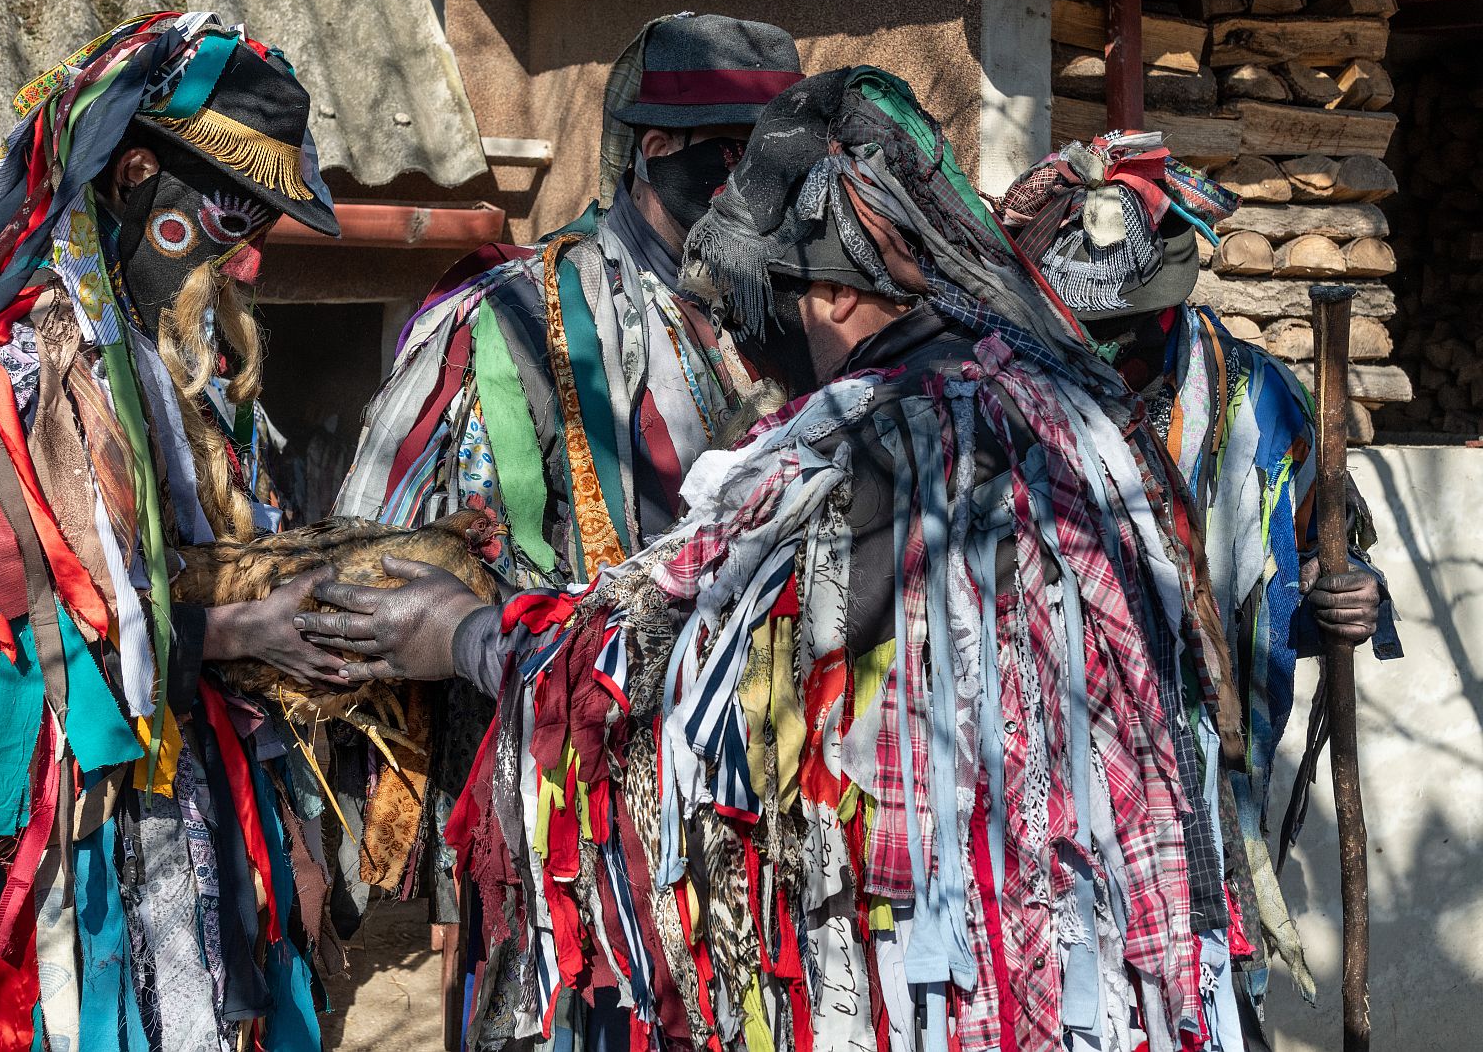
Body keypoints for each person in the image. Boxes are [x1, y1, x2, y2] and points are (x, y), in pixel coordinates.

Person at [300, 68, 1272, 1051]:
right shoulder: (1071, 415)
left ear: (841, 292)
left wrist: (464, 634)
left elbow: (656, 653)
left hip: (949, 976)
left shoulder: (863, 446)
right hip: (1102, 968)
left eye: (793, 296)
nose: (783, 334)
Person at [0, 13, 348, 1051]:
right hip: (60, 849)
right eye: (235, 218)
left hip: (180, 819)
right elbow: (36, 611)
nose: (249, 262)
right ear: (137, 170)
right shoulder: (34, 363)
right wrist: (239, 628)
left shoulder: (171, 369)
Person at [329, 11, 802, 952]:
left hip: (749, 806)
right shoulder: (507, 320)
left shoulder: (784, 316)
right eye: (733, 157)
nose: (760, 191)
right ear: (655, 148)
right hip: (559, 822)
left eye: (775, 163)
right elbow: (371, 566)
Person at [994, 132, 1401, 1022]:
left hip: (1219, 778)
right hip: (1065, 790)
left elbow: (1322, 557)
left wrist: (1352, 598)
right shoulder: (1014, 403)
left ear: (1171, 305)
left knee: (1216, 998)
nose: (1106, 353)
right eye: (1087, 330)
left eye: (1125, 328)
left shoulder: (1257, 402)